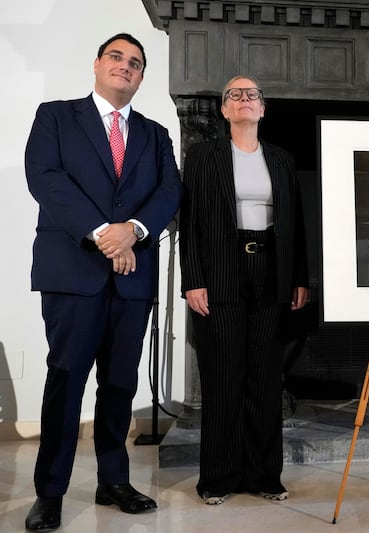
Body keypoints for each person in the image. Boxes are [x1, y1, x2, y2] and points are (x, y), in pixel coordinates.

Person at [23, 33, 183, 530]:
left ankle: (114, 480)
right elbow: (44, 178)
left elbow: (169, 190)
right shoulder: (55, 116)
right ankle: (50, 491)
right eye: (116, 57)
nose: (125, 66)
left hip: (132, 279)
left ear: (141, 76)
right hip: (74, 272)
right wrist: (102, 235)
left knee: (119, 384)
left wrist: (133, 231)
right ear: (97, 65)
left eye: (135, 62)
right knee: (66, 382)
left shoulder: (156, 135)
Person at [179, 75, 309, 505]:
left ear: (263, 108)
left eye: (251, 94)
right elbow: (190, 223)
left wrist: (299, 277)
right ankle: (218, 478)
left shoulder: (282, 158)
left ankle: (264, 475)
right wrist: (193, 280)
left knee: (265, 378)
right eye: (235, 94)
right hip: (221, 270)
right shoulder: (202, 156)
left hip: (271, 269)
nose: (244, 99)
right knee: (223, 375)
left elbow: (296, 226)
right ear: (224, 109)